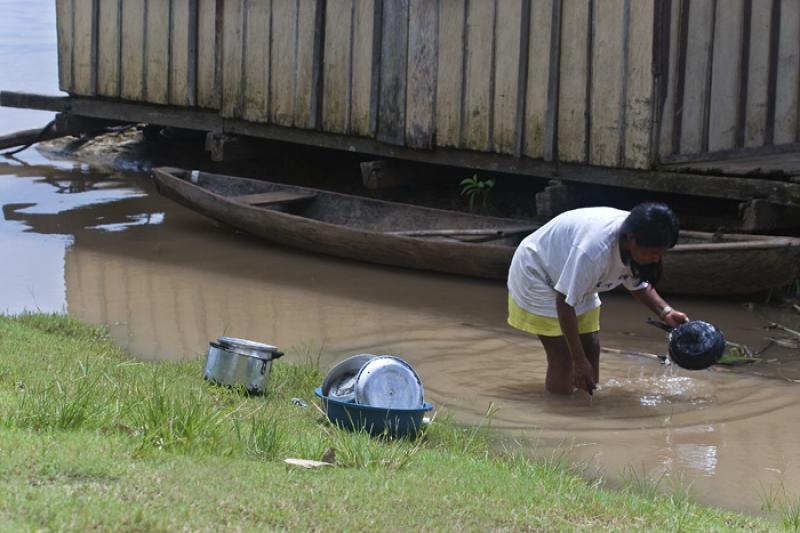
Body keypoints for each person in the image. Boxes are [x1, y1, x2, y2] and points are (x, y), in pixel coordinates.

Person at [507, 203, 689, 395]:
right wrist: (578, 361)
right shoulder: (594, 251)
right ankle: (560, 415)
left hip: (574, 276)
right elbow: (565, 301)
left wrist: (666, 312)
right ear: (631, 241)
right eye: (653, 253)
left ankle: (587, 406)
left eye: (661, 253)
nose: (657, 259)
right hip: (538, 272)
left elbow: (637, 284)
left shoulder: (639, 232)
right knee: (564, 357)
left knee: (591, 348)